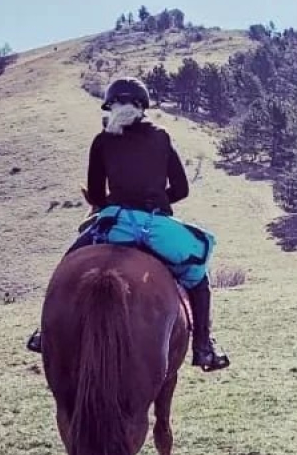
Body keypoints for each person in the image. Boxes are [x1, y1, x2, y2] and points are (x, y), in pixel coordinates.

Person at [35, 76, 229, 370]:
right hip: (157, 227)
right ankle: (203, 346)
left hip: (115, 223)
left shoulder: (102, 141)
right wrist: (155, 199)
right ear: (142, 107)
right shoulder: (162, 137)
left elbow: (97, 194)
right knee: (198, 277)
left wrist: (119, 198)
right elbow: (182, 190)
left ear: (111, 108)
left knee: (68, 264)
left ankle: (44, 333)